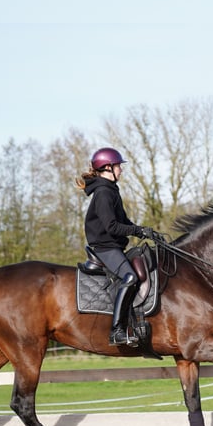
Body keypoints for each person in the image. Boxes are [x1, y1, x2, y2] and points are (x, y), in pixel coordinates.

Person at [78, 147, 156, 346]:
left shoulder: (111, 190)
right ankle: (116, 331)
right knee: (130, 278)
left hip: (112, 246)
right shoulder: (103, 192)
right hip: (105, 248)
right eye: (118, 166)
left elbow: (123, 220)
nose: (121, 170)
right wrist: (136, 231)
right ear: (107, 167)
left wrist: (142, 230)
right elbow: (111, 226)